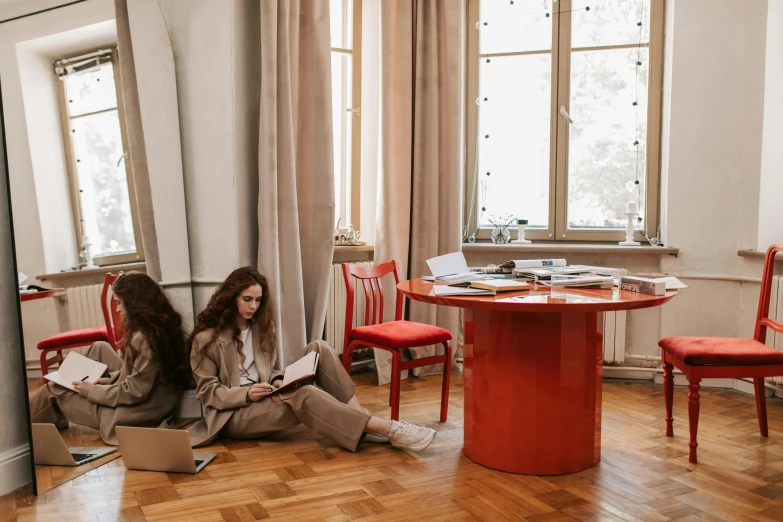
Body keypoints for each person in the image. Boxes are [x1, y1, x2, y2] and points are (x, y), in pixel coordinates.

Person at [186, 266, 436, 452]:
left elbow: (266, 371)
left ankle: (359, 418)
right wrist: (247, 394)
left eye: (258, 300)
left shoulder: (262, 328)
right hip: (234, 414)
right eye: (247, 299)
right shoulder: (206, 339)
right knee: (304, 394)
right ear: (231, 297)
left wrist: (278, 379)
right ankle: (387, 428)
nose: (253, 306)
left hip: (264, 396)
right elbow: (207, 392)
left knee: (320, 347)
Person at [29, 272, 190, 445]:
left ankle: (16, 427)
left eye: (119, 303)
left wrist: (92, 391)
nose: (118, 309)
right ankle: (58, 406)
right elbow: (142, 377)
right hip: (155, 404)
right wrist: (108, 380)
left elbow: (134, 392)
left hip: (136, 415)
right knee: (100, 347)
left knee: (52, 390)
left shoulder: (145, 338)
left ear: (135, 303)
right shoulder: (164, 327)